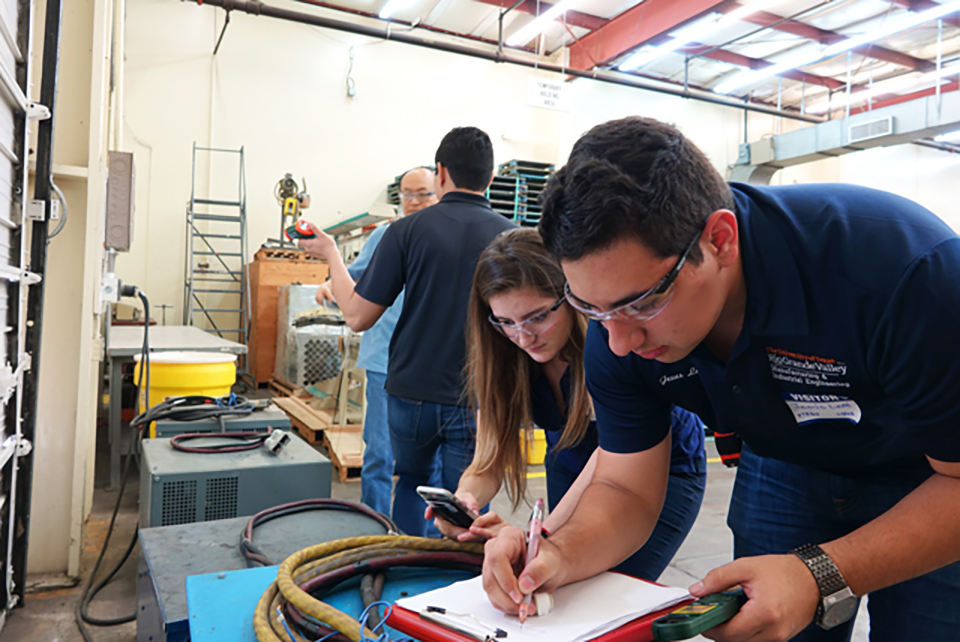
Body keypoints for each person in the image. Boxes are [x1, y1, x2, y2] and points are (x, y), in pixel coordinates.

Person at [481, 116, 960, 641]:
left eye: (643, 304)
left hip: (931, 473)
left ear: (720, 240)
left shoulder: (907, 275)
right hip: (785, 462)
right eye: (589, 308)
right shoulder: (616, 326)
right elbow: (624, 485)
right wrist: (556, 554)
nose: (619, 342)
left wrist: (821, 573)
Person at [430, 227, 707, 582]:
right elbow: (489, 460)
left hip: (659, 468)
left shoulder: (610, 345)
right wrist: (465, 499)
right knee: (555, 580)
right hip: (571, 456)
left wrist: (543, 540)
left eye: (538, 317)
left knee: (600, 583)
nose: (523, 336)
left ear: (574, 296)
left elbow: (610, 463)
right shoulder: (504, 355)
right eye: (506, 322)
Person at [299, 127, 515, 537]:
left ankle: (405, 573)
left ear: (440, 173)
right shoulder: (512, 238)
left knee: (412, 483)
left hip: (409, 391)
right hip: (478, 394)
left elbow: (359, 316)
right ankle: (464, 582)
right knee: (467, 501)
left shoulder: (403, 232)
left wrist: (330, 253)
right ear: (490, 178)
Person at [315, 166, 439, 516]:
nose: (413, 202)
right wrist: (329, 283)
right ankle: (373, 527)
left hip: (430, 368)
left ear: (440, 189)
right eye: (406, 195)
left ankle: (423, 538)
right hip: (384, 361)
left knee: (429, 462)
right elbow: (353, 275)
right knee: (379, 454)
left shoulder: (445, 238)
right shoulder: (386, 235)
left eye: (423, 194)